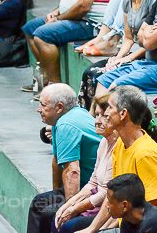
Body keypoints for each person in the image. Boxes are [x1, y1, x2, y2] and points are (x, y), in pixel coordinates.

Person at [80, 86, 157, 233]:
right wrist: (92, 229)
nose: (105, 113)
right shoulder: (120, 144)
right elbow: (113, 195)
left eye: (110, 107)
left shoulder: (144, 153)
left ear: (123, 113)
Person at [78, 0, 157, 109]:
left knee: (100, 76)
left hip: (146, 55)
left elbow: (152, 41)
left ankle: (104, 116)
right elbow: (129, 38)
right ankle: (92, 118)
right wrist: (118, 57)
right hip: (131, 53)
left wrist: (127, 58)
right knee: (90, 72)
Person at [28, 84, 101, 233]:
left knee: (49, 212)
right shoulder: (64, 118)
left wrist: (70, 209)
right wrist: (57, 192)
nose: (38, 109)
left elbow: (72, 172)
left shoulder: (66, 125)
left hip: (94, 190)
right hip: (84, 186)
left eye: (43, 105)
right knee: (39, 203)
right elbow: (57, 161)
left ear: (59, 107)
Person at [52, 97, 119, 233]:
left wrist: (75, 208)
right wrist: (69, 204)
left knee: (68, 226)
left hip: (109, 207)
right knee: (56, 216)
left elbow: (105, 193)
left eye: (104, 116)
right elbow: (93, 182)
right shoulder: (104, 142)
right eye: (96, 115)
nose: (97, 121)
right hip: (97, 200)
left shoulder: (118, 148)